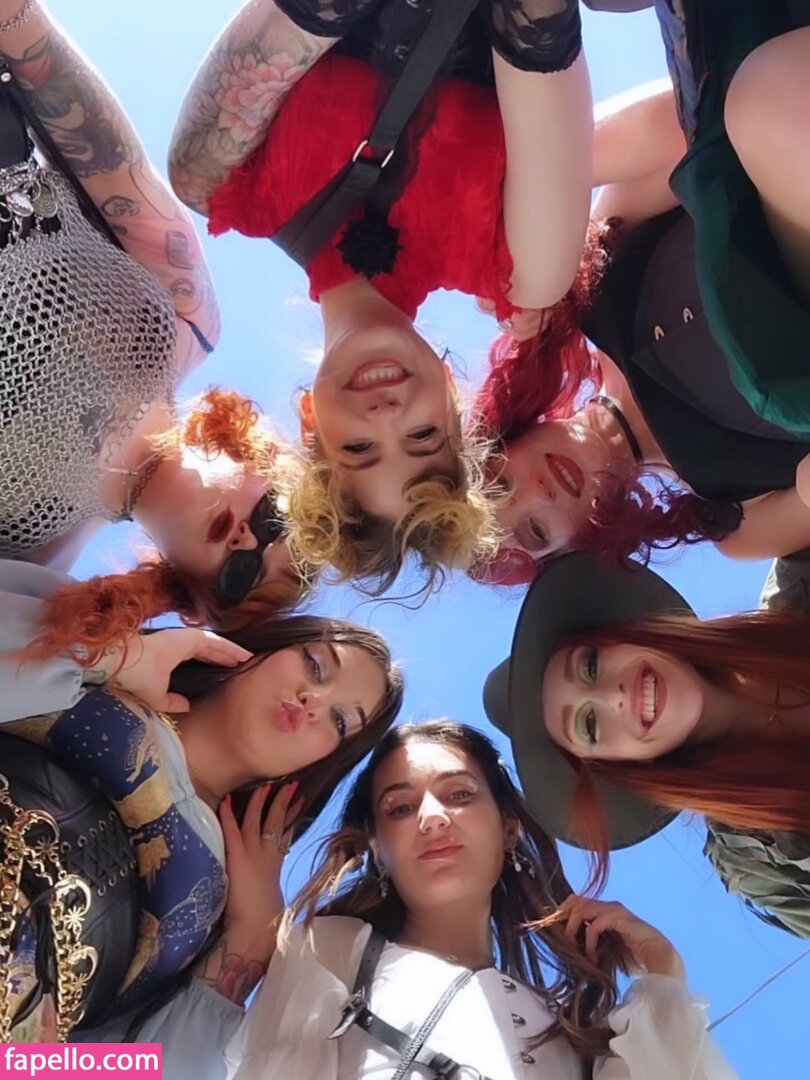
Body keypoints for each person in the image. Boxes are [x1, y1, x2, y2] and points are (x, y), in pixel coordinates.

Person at [168, 0, 601, 596]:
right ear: (450, 396)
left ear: (311, 420)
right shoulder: (522, 267)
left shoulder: (224, 180)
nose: (387, 415)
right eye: (423, 437)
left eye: (359, 448)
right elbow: (541, 25)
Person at [474, 3, 810, 583]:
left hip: (784, 133)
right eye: (535, 530)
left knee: (759, 103)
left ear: (510, 434)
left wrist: (530, 214)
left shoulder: (596, 278)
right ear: (576, 548)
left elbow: (684, 126)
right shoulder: (731, 521)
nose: (538, 493)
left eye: (502, 483)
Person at [0, 559, 403, 1042]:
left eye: (340, 722)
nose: (313, 702)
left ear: (323, 764)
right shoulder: (104, 635)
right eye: (315, 666)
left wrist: (251, 939)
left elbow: (118, 1070)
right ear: (263, 645)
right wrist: (110, 657)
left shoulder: (225, 901)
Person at [0, 3, 308, 625]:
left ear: (189, 599)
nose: (246, 540)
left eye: (241, 577)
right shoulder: (188, 323)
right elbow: (107, 159)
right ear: (270, 468)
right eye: (275, 518)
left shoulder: (32, 555)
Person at [207, 721, 737, 1080]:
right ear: (378, 850)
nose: (432, 818)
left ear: (508, 829)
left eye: (460, 794)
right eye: (399, 808)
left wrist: (664, 977)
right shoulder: (332, 948)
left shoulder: (571, 1031)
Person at [484, 550, 810, 938]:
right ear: (621, 764)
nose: (614, 697)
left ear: (622, 635)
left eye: (591, 666)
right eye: (590, 725)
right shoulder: (757, 858)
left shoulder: (799, 573)